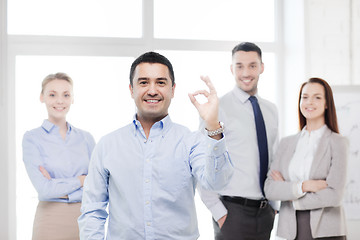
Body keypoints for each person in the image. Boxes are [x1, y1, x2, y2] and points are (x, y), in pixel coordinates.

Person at [78, 51, 233, 239]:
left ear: (173, 89)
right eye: (143, 82)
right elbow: (92, 210)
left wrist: (213, 125)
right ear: (131, 89)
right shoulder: (107, 145)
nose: (152, 90)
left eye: (161, 82)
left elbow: (218, 182)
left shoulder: (191, 141)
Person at [198, 42, 279, 240]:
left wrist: (274, 206)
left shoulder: (271, 110)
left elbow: (273, 158)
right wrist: (219, 213)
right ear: (231, 69)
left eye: (252, 65)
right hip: (232, 213)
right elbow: (202, 160)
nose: (246, 72)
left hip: (265, 213)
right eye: (239, 66)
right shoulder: (218, 108)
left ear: (261, 67)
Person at [265, 77, 348, 240]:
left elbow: (335, 195)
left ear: (326, 104)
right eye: (305, 97)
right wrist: (304, 186)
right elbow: (270, 188)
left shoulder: (338, 143)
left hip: (327, 231)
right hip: (290, 230)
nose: (309, 102)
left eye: (317, 97)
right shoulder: (286, 143)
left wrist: (290, 195)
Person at [22, 72, 96, 240]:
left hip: (86, 219)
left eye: (66, 94)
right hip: (50, 220)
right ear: (42, 97)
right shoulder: (32, 138)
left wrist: (56, 187)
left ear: (72, 99)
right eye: (52, 94)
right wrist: (81, 181)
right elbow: (44, 190)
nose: (60, 101)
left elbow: (98, 185)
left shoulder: (86, 138)